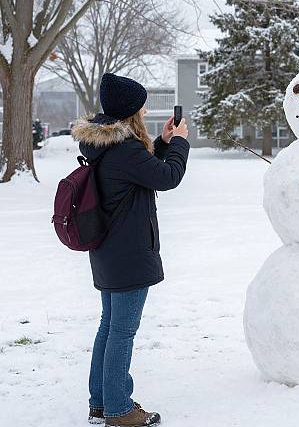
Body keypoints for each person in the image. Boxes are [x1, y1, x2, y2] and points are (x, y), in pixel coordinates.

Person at [71, 72, 190, 427]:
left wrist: (165, 142)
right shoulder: (124, 149)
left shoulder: (108, 144)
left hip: (109, 250)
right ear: (130, 111)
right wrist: (182, 142)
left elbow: (149, 170)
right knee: (121, 331)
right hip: (129, 252)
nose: (146, 109)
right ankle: (119, 410)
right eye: (142, 104)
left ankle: (101, 403)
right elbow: (168, 178)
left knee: (109, 327)